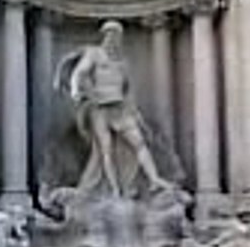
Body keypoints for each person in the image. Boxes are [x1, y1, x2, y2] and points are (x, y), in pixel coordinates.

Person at [61, 20, 169, 197]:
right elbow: (79, 73)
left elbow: (128, 93)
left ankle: (154, 179)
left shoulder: (122, 62)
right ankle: (115, 190)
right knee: (106, 149)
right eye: (110, 34)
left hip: (120, 108)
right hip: (99, 108)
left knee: (139, 142)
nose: (113, 39)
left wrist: (138, 117)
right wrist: (75, 91)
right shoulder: (94, 54)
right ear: (104, 36)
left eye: (117, 35)